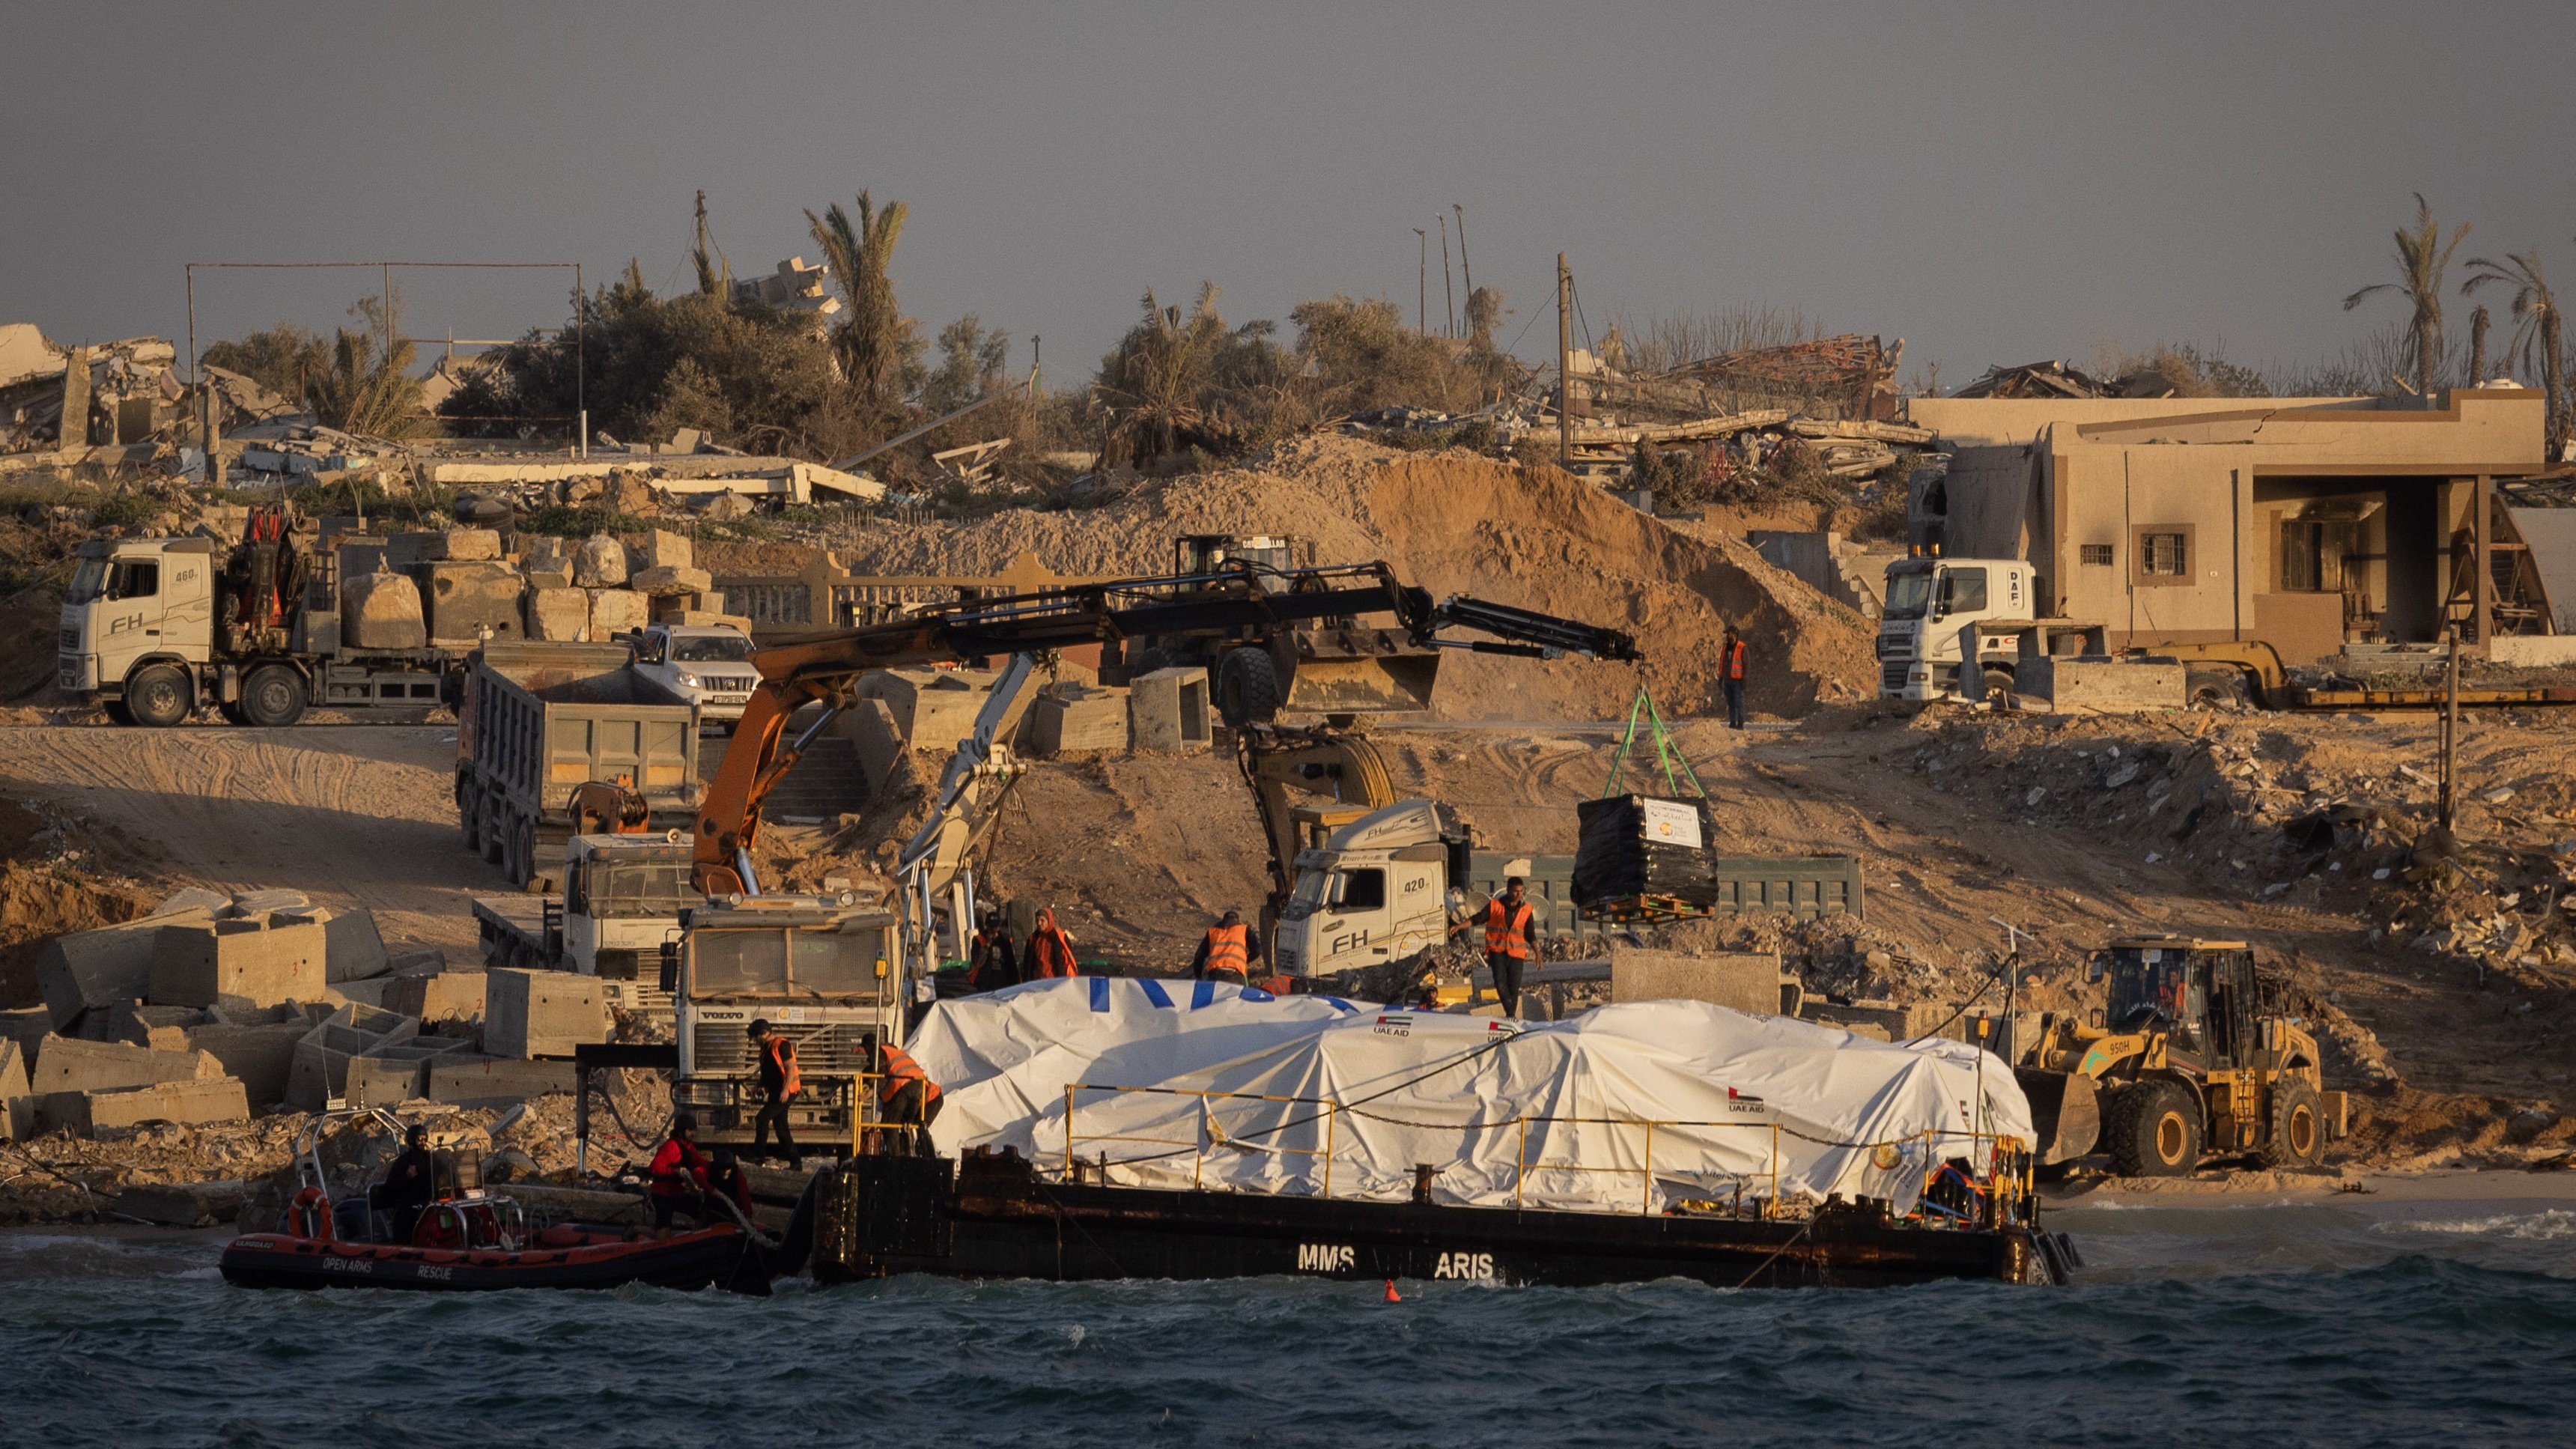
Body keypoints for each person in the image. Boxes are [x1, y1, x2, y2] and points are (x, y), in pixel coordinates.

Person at [1450, 875, 1536, 1019]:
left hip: (1516, 954)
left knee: (1513, 988)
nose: (1519, 895)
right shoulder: (1495, 906)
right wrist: (1459, 926)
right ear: (1509, 891)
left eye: (1521, 891)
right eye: (1516, 891)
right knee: (1500, 983)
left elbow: (1530, 934)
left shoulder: (1526, 910)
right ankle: (1511, 1013)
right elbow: (1477, 919)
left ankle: (1510, 1016)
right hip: (1498, 952)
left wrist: (1538, 954)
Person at [747, 1019, 802, 1170]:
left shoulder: (781, 1045)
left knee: (762, 1118)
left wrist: (785, 1090)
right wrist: (757, 1086)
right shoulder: (766, 1049)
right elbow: (767, 1073)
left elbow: (790, 1068)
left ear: (763, 1034)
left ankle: (759, 1156)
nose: (754, 1041)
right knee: (781, 1128)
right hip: (775, 1092)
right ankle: (796, 1163)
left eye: (755, 1037)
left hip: (787, 1092)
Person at [875, 1039, 945, 1157]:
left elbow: (914, 1099)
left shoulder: (901, 1077)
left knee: (920, 1125)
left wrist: (909, 1117)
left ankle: (929, 1157)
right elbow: (883, 1109)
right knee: (897, 1125)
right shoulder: (892, 1083)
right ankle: (903, 1154)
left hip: (933, 1099)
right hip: (919, 1099)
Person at [376, 1123, 438, 1245]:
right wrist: (407, 1177)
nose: (423, 1143)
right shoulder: (403, 1161)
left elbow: (442, 1173)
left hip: (429, 1203)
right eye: (420, 1139)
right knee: (405, 1226)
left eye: (425, 1139)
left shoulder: (430, 1158)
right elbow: (390, 1185)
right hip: (409, 1206)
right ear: (411, 1141)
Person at [646, 1113, 710, 1229]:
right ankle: (636, 1229)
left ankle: (697, 1238)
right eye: (690, 1130)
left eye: (694, 1130)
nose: (693, 1134)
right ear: (682, 1131)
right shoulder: (671, 1147)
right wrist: (674, 1171)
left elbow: (699, 1162)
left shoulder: (689, 1147)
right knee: (662, 1237)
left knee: (702, 1212)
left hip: (677, 1193)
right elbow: (654, 1167)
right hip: (663, 1195)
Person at [1189, 908, 1263, 982]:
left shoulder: (1213, 932)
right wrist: (1245, 960)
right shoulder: (1244, 929)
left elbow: (1199, 956)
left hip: (1215, 974)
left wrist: (1198, 976)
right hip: (1235, 973)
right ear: (1237, 920)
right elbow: (1257, 950)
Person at [969, 916, 1020, 993]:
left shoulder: (1004, 940)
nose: (993, 930)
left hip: (1003, 983)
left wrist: (1016, 982)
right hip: (985, 985)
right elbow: (976, 962)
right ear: (987, 926)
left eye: (995, 927)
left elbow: (1011, 963)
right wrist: (987, 944)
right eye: (991, 927)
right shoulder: (979, 940)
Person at [1026, 907, 1079, 979]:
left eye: (1042, 920)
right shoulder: (1032, 939)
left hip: (1055, 981)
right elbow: (1028, 963)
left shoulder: (1060, 937)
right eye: (1037, 920)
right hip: (1037, 983)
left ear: (1049, 921)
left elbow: (1066, 960)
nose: (1039, 923)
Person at [705, 1147, 755, 1220]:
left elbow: (744, 1195)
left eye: (727, 1169)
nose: (725, 1172)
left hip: (732, 1210)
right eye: (722, 1169)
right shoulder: (709, 1170)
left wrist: (748, 1216)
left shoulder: (737, 1175)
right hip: (712, 1208)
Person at [1721, 625, 1749, 730]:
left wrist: (1744, 679)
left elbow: (1746, 665)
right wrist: (1721, 678)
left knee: (1739, 703)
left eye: (1729, 634)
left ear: (1735, 635)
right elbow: (1722, 663)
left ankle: (1740, 724)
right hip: (1728, 680)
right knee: (1730, 703)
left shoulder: (1742, 648)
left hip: (1738, 681)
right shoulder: (1725, 648)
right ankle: (1732, 723)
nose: (1727, 636)